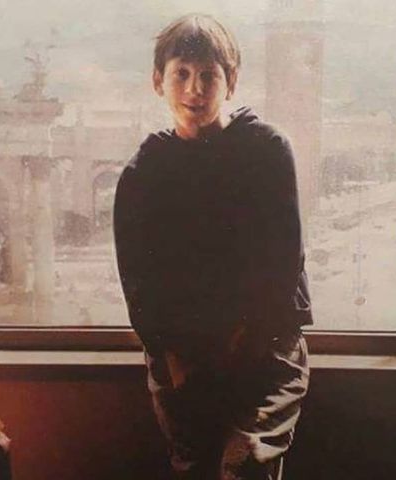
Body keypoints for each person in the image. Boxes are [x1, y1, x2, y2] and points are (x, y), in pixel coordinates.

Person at [113, 13, 313, 480]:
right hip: (184, 357)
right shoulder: (145, 172)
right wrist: (173, 357)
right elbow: (137, 281)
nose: (194, 89)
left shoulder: (266, 150)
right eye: (181, 74)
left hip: (267, 350)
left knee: (244, 465)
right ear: (157, 81)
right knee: (196, 468)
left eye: (209, 75)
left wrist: (244, 343)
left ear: (232, 82)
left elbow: (284, 262)